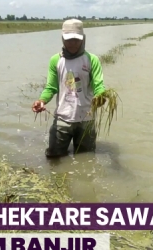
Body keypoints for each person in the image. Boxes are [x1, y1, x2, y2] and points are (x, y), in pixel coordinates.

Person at [32, 19, 107, 158]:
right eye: (68, 40)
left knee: (86, 158)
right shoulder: (56, 60)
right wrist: (42, 100)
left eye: (76, 40)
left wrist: (101, 96)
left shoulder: (92, 60)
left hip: (86, 118)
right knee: (54, 157)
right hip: (63, 118)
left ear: (83, 39)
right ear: (62, 39)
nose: (72, 43)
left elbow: (99, 86)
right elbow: (51, 87)